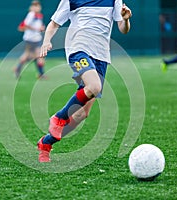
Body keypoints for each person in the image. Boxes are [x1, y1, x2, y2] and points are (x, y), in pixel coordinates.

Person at [37, 0, 132, 162]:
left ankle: (46, 143)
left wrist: (126, 19)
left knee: (81, 114)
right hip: (79, 48)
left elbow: (123, 30)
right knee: (94, 86)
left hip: (101, 55)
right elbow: (54, 23)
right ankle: (59, 117)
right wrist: (46, 41)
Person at [14, 0, 46, 79]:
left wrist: (41, 27)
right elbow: (25, 25)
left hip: (36, 39)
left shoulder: (39, 15)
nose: (37, 7)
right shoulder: (31, 14)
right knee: (32, 55)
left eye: (38, 5)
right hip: (31, 39)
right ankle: (40, 74)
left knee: (36, 56)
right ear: (32, 7)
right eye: (35, 5)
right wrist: (37, 28)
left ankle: (40, 74)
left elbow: (38, 26)